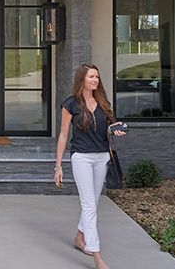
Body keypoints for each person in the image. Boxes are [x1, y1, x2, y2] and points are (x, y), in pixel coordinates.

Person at [54, 63, 126, 269]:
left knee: (93, 202)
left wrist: (115, 129)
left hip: (102, 157)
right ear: (81, 79)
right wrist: (58, 167)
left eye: (97, 76)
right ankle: (97, 255)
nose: (95, 80)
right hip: (82, 158)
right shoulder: (70, 104)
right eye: (91, 77)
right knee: (88, 204)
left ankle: (79, 237)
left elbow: (106, 128)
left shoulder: (103, 102)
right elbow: (63, 135)